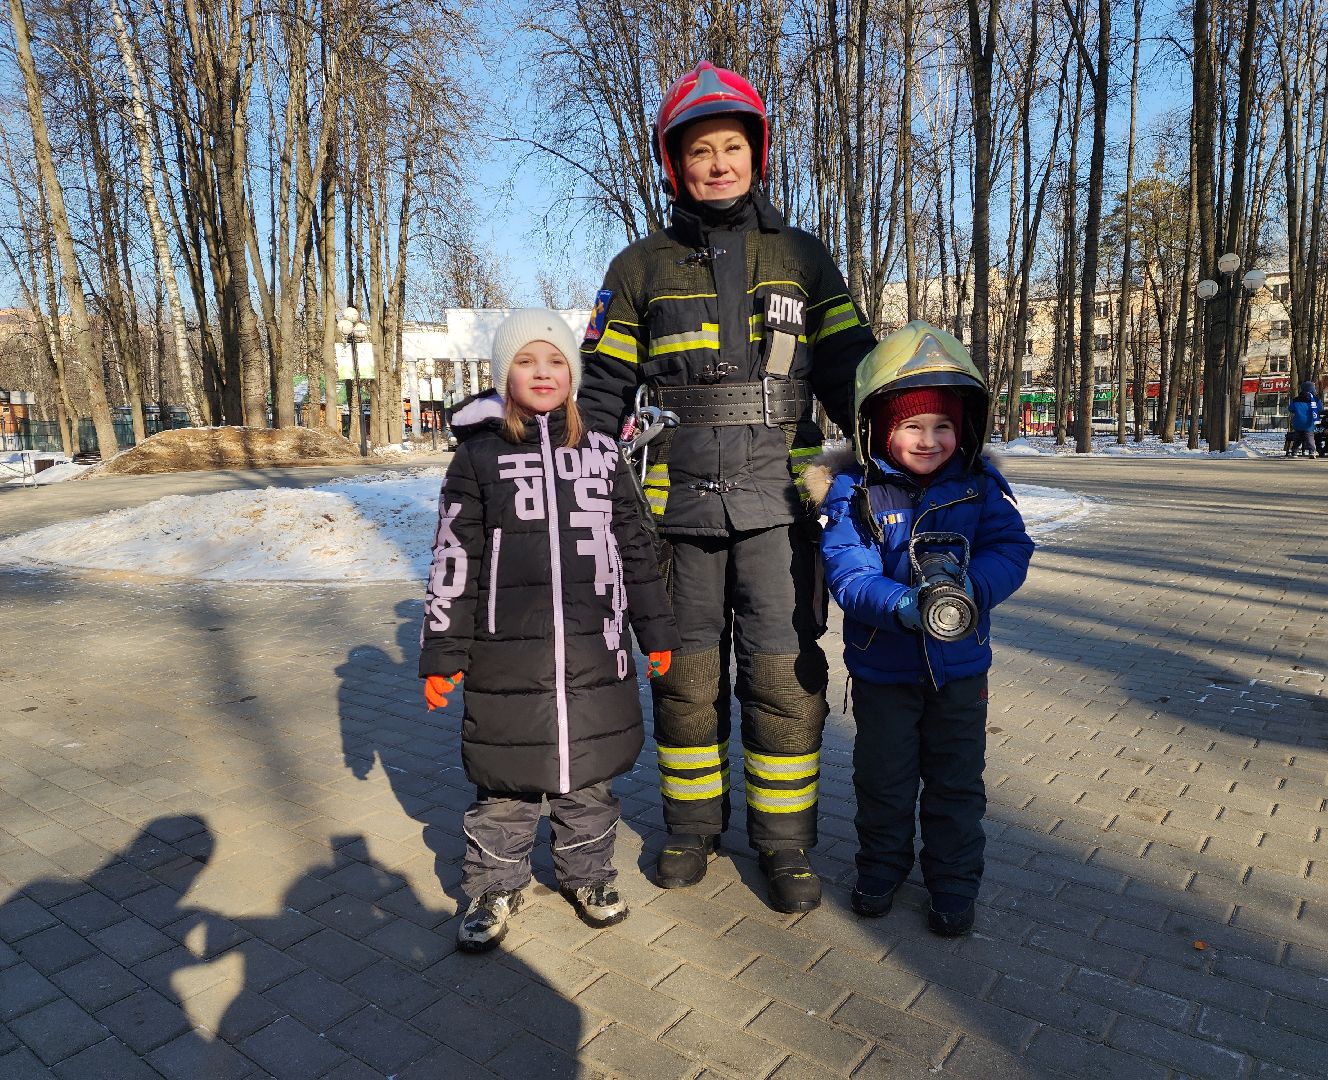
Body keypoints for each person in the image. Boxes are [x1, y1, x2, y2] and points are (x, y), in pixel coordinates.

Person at [577, 61, 878, 913]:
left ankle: (784, 847)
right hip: (677, 513)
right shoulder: (638, 268)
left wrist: (903, 440)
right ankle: (690, 828)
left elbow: (855, 370)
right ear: (676, 165)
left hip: (784, 511)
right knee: (685, 677)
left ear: (758, 155)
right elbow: (601, 388)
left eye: (731, 148)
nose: (717, 164)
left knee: (784, 679)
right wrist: (581, 477)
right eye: (700, 151)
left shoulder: (805, 258)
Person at [420, 309, 679, 952]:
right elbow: (455, 554)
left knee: (588, 777)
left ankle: (587, 874)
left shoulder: (601, 450)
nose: (543, 372)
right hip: (508, 652)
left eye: (556, 360)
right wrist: (443, 651)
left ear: (574, 371)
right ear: (503, 373)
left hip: (597, 647)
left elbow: (635, 547)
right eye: (527, 361)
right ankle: (492, 884)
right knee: (505, 782)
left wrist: (657, 630)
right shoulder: (479, 455)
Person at [806, 322, 1034, 936]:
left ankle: (953, 885)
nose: (928, 439)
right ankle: (881, 868)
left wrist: (970, 591)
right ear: (878, 427)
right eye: (911, 425)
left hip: (960, 670)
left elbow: (1011, 551)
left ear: (965, 427)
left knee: (957, 783)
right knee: (883, 779)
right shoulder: (856, 493)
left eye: (943, 425)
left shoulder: (980, 485)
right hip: (885, 671)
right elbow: (848, 575)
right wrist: (903, 603)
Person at [1285, 380, 1321, 457]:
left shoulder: (1296, 399)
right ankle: (1312, 451)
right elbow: (1320, 409)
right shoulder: (1315, 400)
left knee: (1298, 437)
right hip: (1309, 422)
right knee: (1309, 437)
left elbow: (1291, 409)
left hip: (1298, 422)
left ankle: (1294, 451)